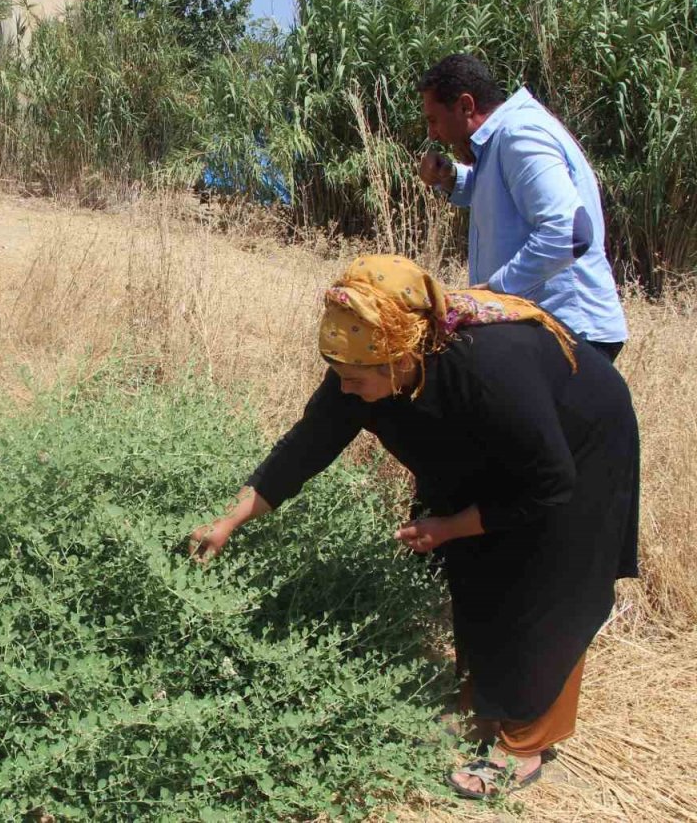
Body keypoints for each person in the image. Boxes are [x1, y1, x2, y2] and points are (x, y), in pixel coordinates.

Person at [189, 255, 639, 799]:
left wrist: (450, 525)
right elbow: (306, 446)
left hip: (577, 450)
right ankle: (484, 706)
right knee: (476, 566)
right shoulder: (363, 366)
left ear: (401, 359)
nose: (346, 390)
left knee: (547, 587)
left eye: (355, 380)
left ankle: (524, 741)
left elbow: (547, 483)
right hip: (495, 449)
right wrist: (231, 520)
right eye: (339, 377)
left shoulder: (489, 372)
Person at [417, 53, 629, 362]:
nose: (432, 134)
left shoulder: (519, 136)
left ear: (466, 106)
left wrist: (495, 289)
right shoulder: (501, 140)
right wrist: (449, 177)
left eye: (433, 120)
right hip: (544, 328)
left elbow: (569, 231)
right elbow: (500, 194)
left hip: (565, 330)